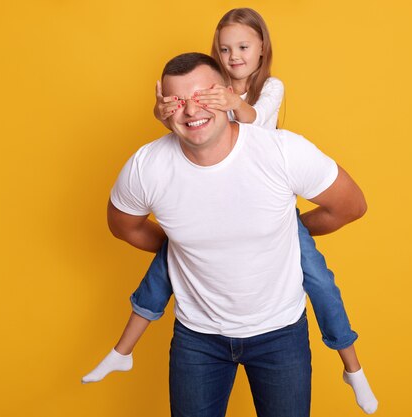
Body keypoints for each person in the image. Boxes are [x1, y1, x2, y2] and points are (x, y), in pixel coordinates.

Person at [83, 8, 378, 415]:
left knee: (322, 283)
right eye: (177, 102)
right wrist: (180, 248)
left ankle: (353, 367)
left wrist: (288, 230)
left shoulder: (278, 138)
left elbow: (351, 205)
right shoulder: (148, 166)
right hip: (197, 340)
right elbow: (123, 225)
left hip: (280, 333)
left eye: (204, 96)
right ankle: (122, 351)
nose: (192, 110)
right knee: (161, 273)